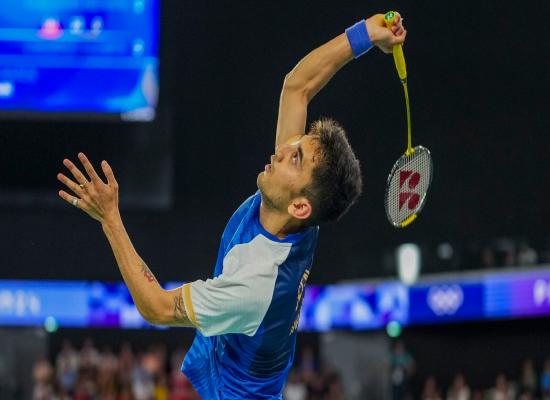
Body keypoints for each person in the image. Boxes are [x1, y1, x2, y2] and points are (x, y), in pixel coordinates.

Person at [56, 12, 406, 399]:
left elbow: (155, 307)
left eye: (296, 158)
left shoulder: (256, 281)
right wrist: (364, 36)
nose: (283, 150)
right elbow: (297, 88)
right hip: (232, 354)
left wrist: (109, 218)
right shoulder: (297, 210)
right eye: (296, 145)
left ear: (301, 207)